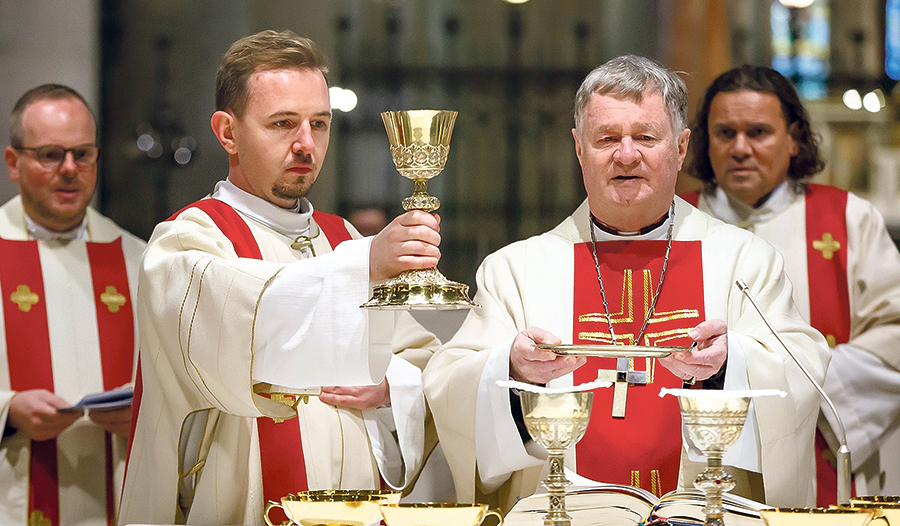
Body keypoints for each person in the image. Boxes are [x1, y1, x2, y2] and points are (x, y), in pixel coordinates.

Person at [422, 55, 830, 513]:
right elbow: (449, 384)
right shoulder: (515, 270)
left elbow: (802, 369)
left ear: (681, 147)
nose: (627, 155)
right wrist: (510, 370)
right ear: (579, 148)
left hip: (700, 516)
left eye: (646, 137)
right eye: (607, 138)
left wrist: (730, 362)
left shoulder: (746, 262)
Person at [118, 30, 444, 525]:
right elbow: (245, 324)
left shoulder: (343, 237)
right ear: (227, 132)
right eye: (283, 123)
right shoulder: (186, 240)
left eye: (320, 123)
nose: (306, 144)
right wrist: (363, 267)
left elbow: (426, 355)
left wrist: (390, 385)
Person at [684, 65, 900, 504]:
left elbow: (893, 331)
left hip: (821, 449)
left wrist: (797, 383)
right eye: (725, 133)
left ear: (794, 138)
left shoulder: (848, 219)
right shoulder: (677, 223)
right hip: (699, 445)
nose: (740, 148)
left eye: (758, 132)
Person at [0, 84, 145, 525]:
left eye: (82, 155)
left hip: (116, 494)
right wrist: (8, 410)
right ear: (13, 163)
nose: (69, 169)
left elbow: (174, 381)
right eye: (50, 155)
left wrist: (145, 411)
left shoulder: (138, 259)